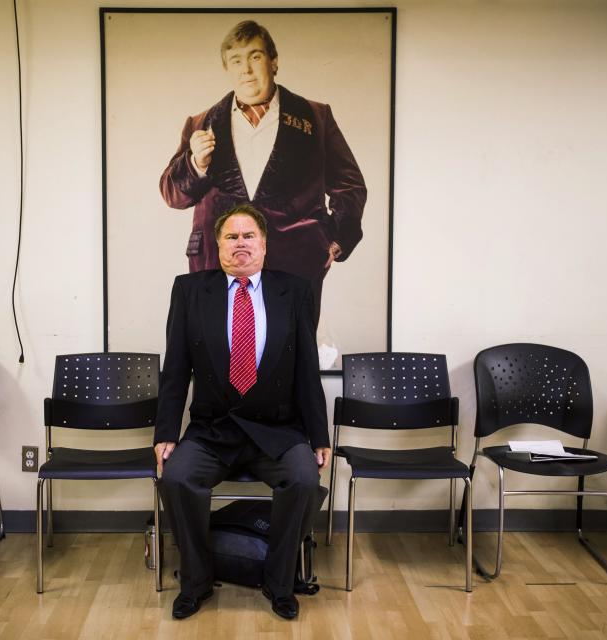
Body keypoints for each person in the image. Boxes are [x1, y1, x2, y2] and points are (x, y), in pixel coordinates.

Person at [154, 204, 331, 621]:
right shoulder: (190, 290)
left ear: (265, 245)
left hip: (277, 431)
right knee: (177, 479)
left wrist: (318, 436)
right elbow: (176, 368)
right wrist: (166, 432)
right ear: (217, 247)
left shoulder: (295, 290)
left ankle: (279, 581)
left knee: (304, 479)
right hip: (213, 430)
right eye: (231, 237)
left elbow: (307, 371)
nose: (240, 244)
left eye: (248, 236)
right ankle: (196, 582)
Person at [159, 20, 366, 321]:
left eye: (255, 57)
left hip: (296, 264)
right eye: (236, 60)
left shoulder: (315, 117)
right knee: (219, 356)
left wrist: (335, 240)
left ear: (274, 61)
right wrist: (195, 164)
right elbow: (172, 194)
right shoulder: (200, 122)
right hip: (216, 264)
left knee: (289, 357)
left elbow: (350, 186)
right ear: (227, 68)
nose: (246, 69)